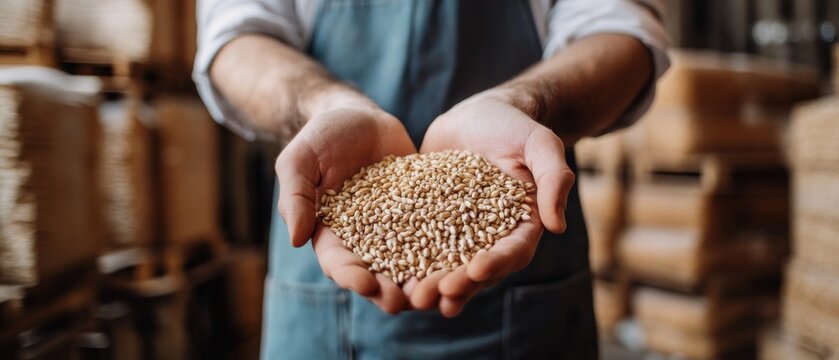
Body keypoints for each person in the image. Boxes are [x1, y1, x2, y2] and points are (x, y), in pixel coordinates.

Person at [194, 0, 669, 358]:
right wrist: (322, 106)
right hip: (323, 272)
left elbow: (619, 29)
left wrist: (525, 104)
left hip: (532, 294)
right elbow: (236, 36)